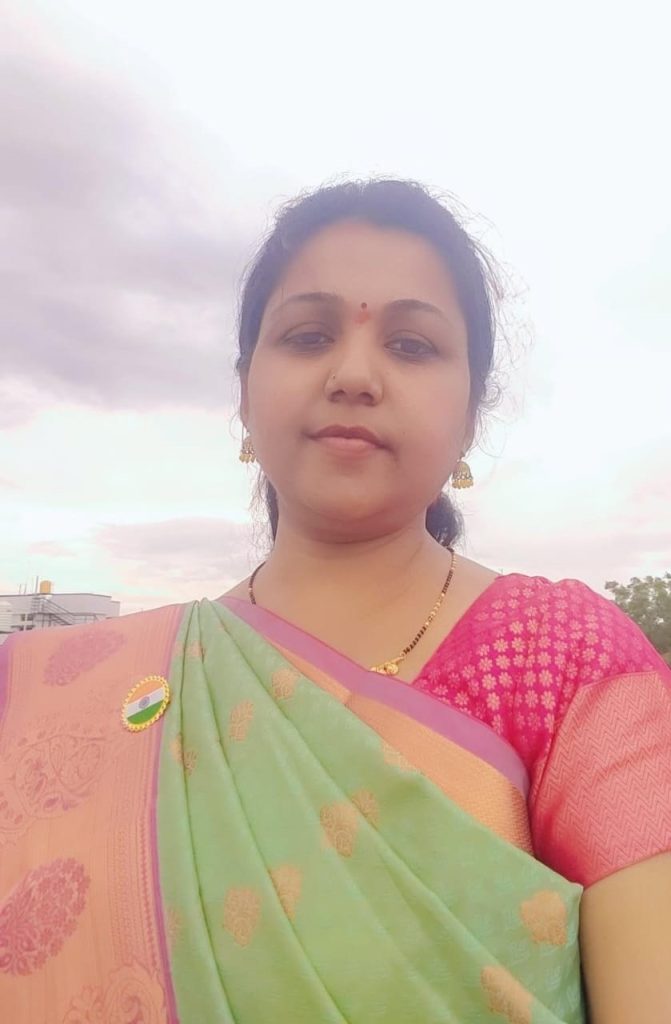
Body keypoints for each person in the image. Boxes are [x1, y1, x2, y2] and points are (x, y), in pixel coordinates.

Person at [1, 179, 669, 1024]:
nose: (353, 375)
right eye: (308, 336)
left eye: (412, 345)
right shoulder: (89, 693)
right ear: (244, 393)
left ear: (470, 416)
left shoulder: (560, 658)